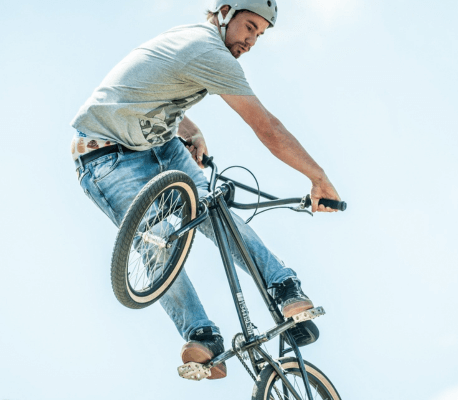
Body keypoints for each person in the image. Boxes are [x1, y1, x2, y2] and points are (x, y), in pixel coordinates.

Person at [70, 0, 342, 380]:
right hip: (106, 158)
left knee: (216, 213)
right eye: (249, 27)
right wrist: (318, 178)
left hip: (160, 145)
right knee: (155, 242)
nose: (251, 41)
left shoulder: (193, 44)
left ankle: (284, 290)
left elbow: (148, 92)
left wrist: (188, 129)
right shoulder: (207, 50)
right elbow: (268, 128)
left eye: (259, 35)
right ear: (226, 11)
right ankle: (200, 334)